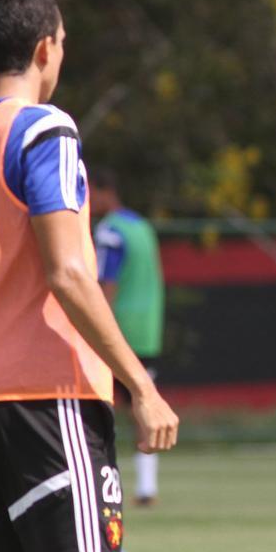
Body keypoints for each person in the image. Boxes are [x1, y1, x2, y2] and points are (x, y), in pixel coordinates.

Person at [0, 0, 179, 552]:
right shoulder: (44, 130)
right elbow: (67, 272)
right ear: (44, 50)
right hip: (48, 397)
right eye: (62, 43)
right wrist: (140, 385)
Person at [89, 169, 166, 507]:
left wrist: (92, 327)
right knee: (143, 405)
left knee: (95, 406)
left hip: (116, 330)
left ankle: (95, 483)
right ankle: (147, 487)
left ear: (103, 192)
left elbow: (106, 284)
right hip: (148, 330)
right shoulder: (143, 228)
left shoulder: (110, 231)